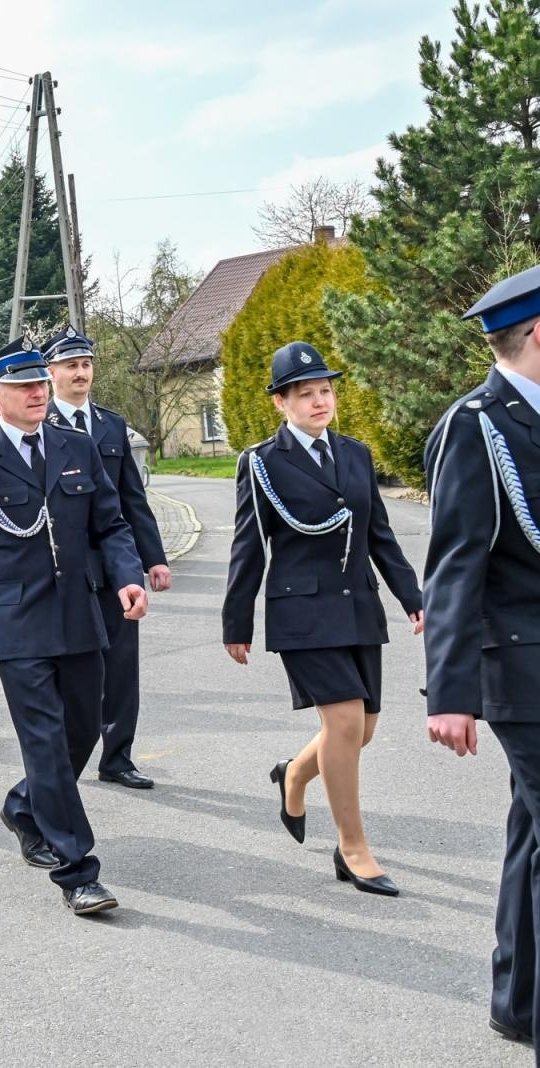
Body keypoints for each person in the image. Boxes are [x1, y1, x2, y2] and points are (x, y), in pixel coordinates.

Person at [0, 337, 147, 916]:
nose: (36, 393)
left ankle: (25, 807)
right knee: (46, 742)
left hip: (80, 612)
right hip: (18, 621)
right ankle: (79, 871)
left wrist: (128, 575)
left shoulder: (76, 445)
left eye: (39, 383)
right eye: (23, 385)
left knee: (82, 731)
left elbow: (111, 525)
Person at [223, 341, 422, 896]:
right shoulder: (260, 462)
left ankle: (292, 774)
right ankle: (353, 848)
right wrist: (236, 621)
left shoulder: (355, 455)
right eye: (305, 394)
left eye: (325, 391)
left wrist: (413, 596)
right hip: (302, 611)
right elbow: (248, 546)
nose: (318, 401)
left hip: (357, 606)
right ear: (281, 403)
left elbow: (379, 533)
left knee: (364, 730)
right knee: (343, 725)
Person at [423, 264, 540, 1047]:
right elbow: (455, 564)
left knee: (531, 835)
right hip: (522, 668)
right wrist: (449, 693)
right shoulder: (475, 425)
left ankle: (518, 1000)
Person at [44, 327, 171, 790]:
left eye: (86, 364)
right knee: (69, 665)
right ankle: (61, 758)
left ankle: (117, 756)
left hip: (115, 563)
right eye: (70, 365)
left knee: (121, 663)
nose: (81, 373)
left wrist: (153, 558)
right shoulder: (42, 427)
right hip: (66, 567)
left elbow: (132, 499)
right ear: (51, 372)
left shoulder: (111, 425)